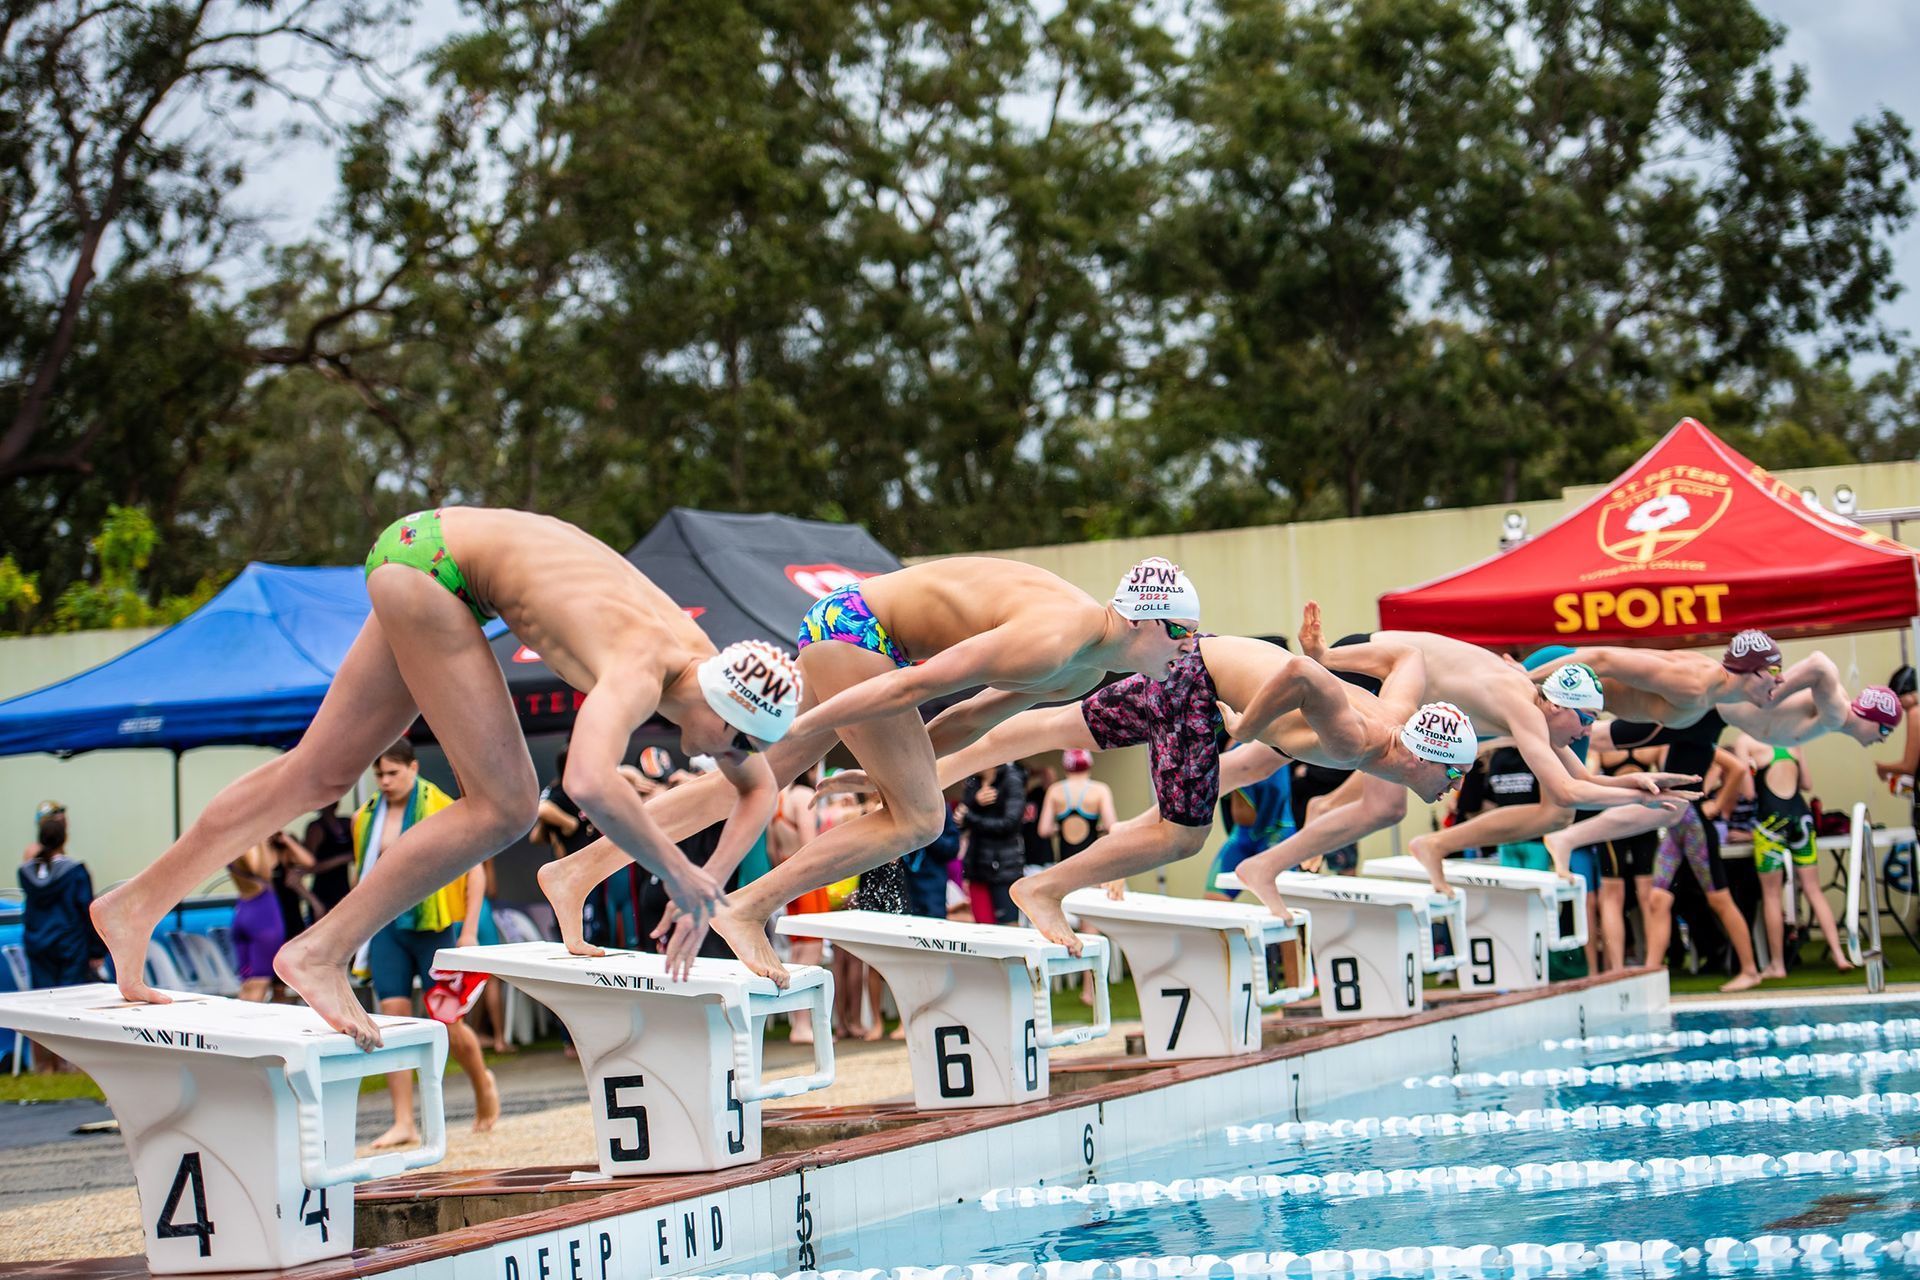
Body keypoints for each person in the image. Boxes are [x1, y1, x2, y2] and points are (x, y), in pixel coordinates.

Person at [96, 507, 790, 1049]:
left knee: (319, 774)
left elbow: (760, 790)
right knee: (508, 804)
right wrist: (677, 873)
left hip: (422, 552)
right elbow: (588, 782)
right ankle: (320, 952)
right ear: (720, 707)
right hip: (436, 572)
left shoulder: (708, 670)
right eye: (739, 741)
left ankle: (133, 906)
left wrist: (712, 891)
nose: (738, 756)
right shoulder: (641, 668)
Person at [542, 554, 1202, 984]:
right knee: (919, 819)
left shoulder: (1081, 670)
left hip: (858, 631)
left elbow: (968, 719)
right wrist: (801, 729)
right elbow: (915, 686)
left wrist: (886, 766)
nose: (1188, 650)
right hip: (862, 633)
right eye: (1182, 634)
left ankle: (574, 872)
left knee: (742, 787)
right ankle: (745, 908)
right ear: (1144, 621)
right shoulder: (1059, 636)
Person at [1234, 622, 1698, 915]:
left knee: (1268, 764)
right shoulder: (1522, 706)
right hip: (1375, 671)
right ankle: (1264, 856)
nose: (1586, 732)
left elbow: (1580, 779)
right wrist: (1639, 797)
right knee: (1271, 761)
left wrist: (1638, 782)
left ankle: (1268, 857)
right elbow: (1566, 793)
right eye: (1586, 720)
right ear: (1557, 705)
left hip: (1387, 676)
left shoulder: (1533, 706)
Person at [349, 740, 501, 1147]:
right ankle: (403, 1120)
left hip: (434, 925)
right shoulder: (365, 817)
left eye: (392, 773)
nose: (385, 781)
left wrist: (469, 932)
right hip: (387, 924)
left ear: (413, 768)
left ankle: (482, 1083)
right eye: (379, 775)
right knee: (392, 1020)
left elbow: (475, 871)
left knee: (448, 1020)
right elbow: (362, 875)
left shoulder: (443, 808)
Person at [1732, 731, 1853, 977]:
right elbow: (1806, 784)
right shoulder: (1793, 738)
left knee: (1772, 896)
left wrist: (1752, 770)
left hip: (1770, 823)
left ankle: (1777, 965)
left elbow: (1748, 793)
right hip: (1801, 818)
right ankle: (1839, 955)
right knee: (1813, 890)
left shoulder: (1746, 741)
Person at [18, 803, 105, 990]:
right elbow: (88, 910)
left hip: (37, 945)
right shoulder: (75, 872)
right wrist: (97, 949)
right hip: (70, 947)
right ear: (65, 837)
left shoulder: (26, 872)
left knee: (43, 998)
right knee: (70, 999)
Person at [1209, 750, 1293, 898]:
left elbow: (1278, 789)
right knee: (1213, 897)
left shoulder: (1272, 746)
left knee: (1286, 898)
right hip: (1242, 833)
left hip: (1276, 832)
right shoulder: (1228, 744)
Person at [960, 762, 1028, 925]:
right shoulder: (973, 782)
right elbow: (960, 819)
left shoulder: (1011, 780)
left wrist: (971, 818)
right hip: (976, 867)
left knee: (1008, 926)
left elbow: (1010, 824)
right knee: (982, 926)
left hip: (1004, 867)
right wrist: (975, 802)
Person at [227, 839, 287, 1003]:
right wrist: (262, 839)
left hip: (243, 909)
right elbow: (261, 871)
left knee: (247, 983)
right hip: (262, 914)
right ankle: (244, 1019)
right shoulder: (252, 842)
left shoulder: (231, 844)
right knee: (259, 982)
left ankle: (239, 1017)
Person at [1038, 749, 1114, 864]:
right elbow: (1111, 826)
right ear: (1089, 764)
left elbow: (1044, 830)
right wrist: (1099, 829)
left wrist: (1063, 828)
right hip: (1092, 860)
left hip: (1065, 861)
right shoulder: (1100, 790)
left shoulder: (1054, 790)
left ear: (1065, 766)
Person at [301, 802, 355, 918]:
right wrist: (344, 858)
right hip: (324, 893)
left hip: (344, 888)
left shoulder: (347, 822)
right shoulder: (316, 828)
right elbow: (309, 866)